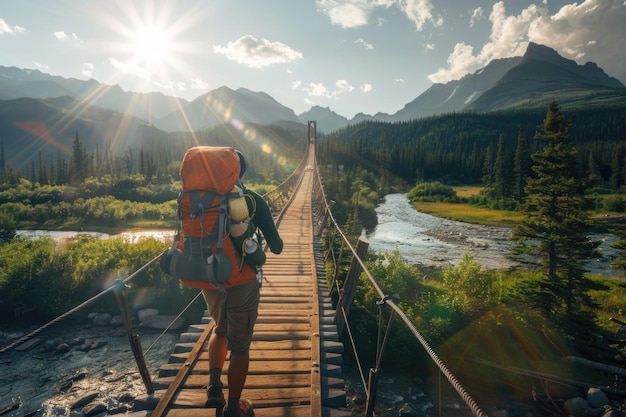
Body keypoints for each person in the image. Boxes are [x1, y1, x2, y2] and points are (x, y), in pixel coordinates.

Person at [204, 150, 283, 417]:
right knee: (240, 348)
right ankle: (234, 407)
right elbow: (278, 247)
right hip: (242, 281)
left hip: (210, 279)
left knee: (219, 329)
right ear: (242, 173)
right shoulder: (252, 199)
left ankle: (214, 387)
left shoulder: (202, 200)